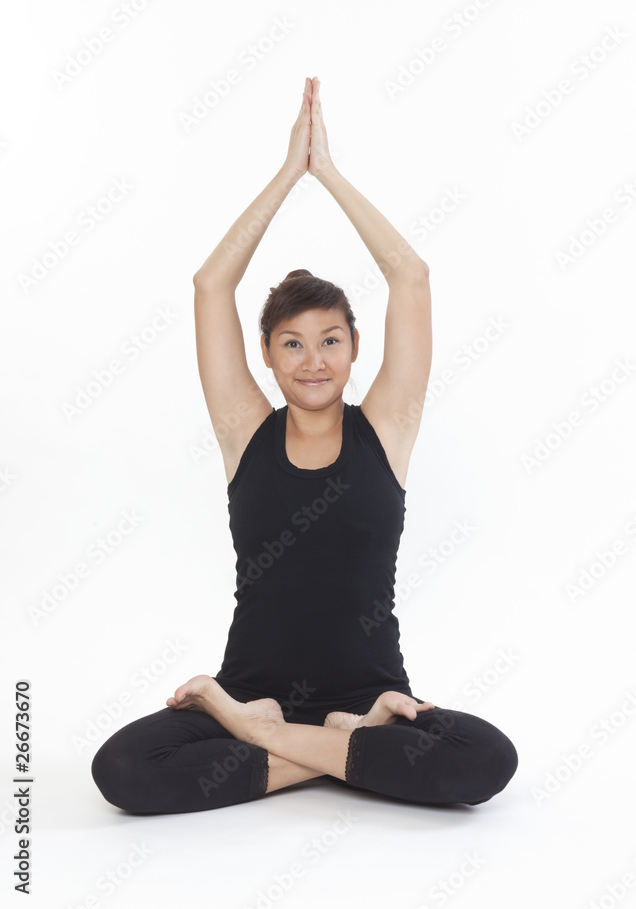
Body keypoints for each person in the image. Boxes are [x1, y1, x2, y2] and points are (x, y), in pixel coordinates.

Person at [91, 77, 518, 814]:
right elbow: (209, 284)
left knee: (487, 761)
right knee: (121, 770)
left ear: (356, 348)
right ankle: (337, 750)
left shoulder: (386, 427)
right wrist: (288, 173)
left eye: (329, 341)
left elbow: (410, 276)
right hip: (260, 691)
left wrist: (331, 174)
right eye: (292, 344)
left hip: (370, 697)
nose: (312, 360)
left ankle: (271, 737)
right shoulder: (245, 432)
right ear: (266, 354)